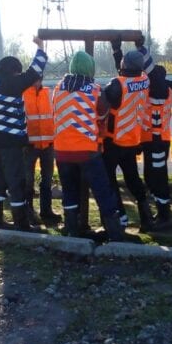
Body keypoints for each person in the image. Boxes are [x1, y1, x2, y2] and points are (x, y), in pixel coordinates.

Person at [0, 37, 47, 231]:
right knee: (16, 180)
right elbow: (35, 72)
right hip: (10, 140)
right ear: (13, 70)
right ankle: (22, 223)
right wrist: (41, 48)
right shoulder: (10, 82)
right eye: (17, 71)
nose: (19, 75)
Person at [52, 51, 123, 241]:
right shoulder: (95, 89)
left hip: (61, 151)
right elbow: (102, 116)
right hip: (87, 150)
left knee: (69, 191)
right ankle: (115, 234)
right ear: (89, 68)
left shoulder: (58, 88)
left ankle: (72, 230)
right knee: (102, 190)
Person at [102, 41, 153, 232]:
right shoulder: (145, 81)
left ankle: (121, 217)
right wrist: (117, 52)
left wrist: (118, 52)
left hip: (113, 141)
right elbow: (125, 74)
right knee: (133, 179)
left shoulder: (116, 86)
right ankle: (146, 217)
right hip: (132, 139)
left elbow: (106, 98)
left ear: (124, 66)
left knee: (109, 180)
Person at [137, 43, 172, 230]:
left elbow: (151, 75)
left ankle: (164, 214)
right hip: (154, 140)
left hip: (157, 140)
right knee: (151, 175)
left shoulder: (160, 91)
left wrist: (143, 52)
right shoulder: (163, 90)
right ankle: (161, 210)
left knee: (158, 177)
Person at [23, 76, 61, 225]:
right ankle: (28, 211)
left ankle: (46, 211)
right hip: (29, 145)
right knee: (28, 181)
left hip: (48, 144)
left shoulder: (49, 93)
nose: (36, 81)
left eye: (38, 78)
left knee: (46, 180)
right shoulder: (23, 94)